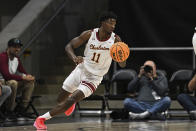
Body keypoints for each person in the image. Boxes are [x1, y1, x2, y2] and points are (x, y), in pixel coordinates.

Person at [34, 11, 127, 130]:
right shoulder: (89, 34)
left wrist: (122, 56)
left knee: (72, 99)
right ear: (102, 23)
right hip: (81, 69)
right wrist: (74, 58)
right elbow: (69, 46)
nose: (113, 26)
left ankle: (41, 119)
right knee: (60, 99)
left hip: (94, 77)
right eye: (110, 23)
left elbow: (122, 64)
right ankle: (70, 104)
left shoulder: (116, 40)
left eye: (114, 24)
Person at [0, 38, 35, 117]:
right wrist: (23, 78)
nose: (17, 49)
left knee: (29, 82)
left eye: (19, 47)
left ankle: (21, 109)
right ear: (9, 47)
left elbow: (22, 71)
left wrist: (29, 76)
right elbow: (6, 75)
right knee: (13, 83)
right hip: (2, 83)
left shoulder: (16, 58)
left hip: (10, 83)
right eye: (15, 47)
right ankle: (9, 110)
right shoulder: (3, 56)